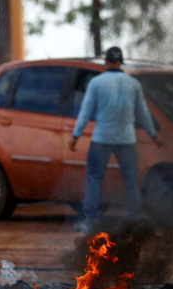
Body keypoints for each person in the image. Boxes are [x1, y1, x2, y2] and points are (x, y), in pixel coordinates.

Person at [68, 46, 162, 230]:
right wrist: (153, 135)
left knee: (94, 178)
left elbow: (85, 112)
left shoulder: (96, 83)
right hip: (126, 139)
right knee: (130, 179)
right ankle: (134, 217)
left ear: (106, 61)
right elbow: (142, 113)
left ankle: (90, 221)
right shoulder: (133, 84)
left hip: (102, 137)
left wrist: (76, 135)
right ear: (121, 62)